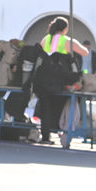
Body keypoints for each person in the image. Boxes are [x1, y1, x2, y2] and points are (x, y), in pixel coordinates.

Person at [31, 16, 89, 145]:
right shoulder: (67, 41)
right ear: (65, 29)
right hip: (60, 80)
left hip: (43, 78)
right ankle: (63, 130)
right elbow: (85, 52)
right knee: (65, 103)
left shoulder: (45, 39)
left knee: (45, 106)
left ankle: (45, 136)